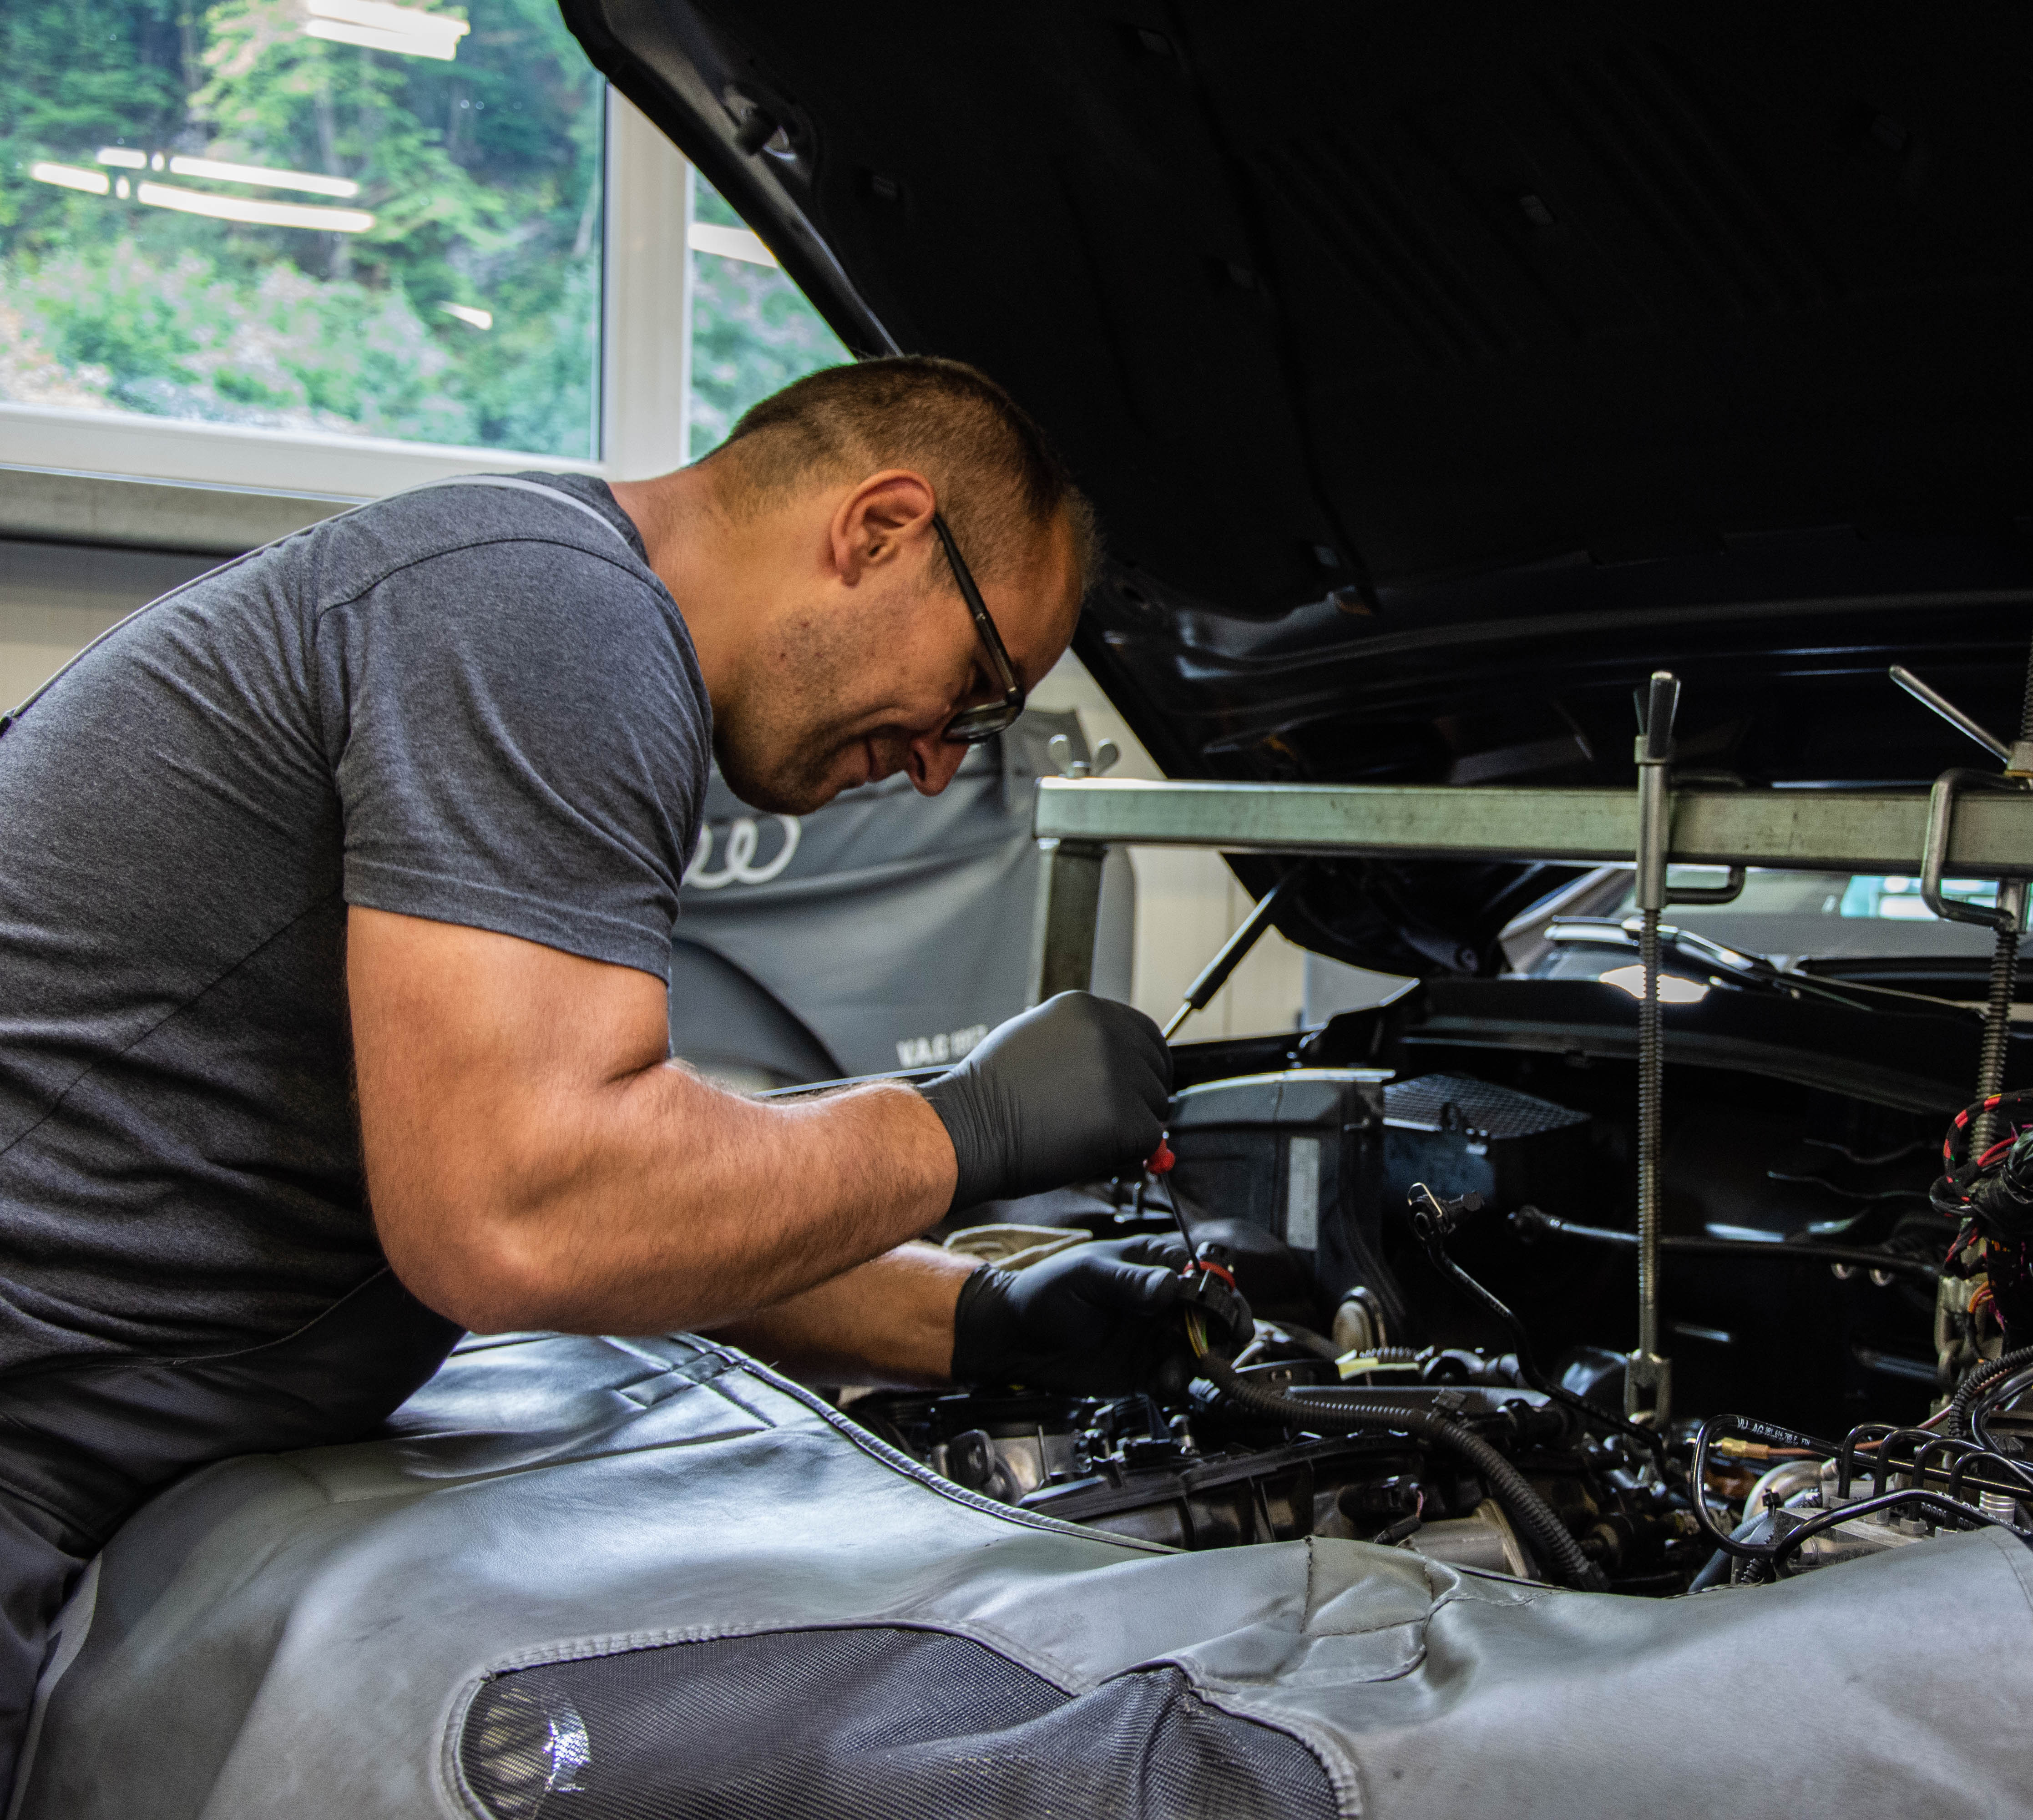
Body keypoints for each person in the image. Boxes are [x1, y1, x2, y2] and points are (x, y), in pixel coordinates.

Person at [0, 355, 1190, 1780]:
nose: (943, 765)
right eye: (976, 692)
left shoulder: (540, 597)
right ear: (879, 529)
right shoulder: (555, 613)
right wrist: (966, 1126)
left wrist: (980, 1318)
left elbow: (623, 1193)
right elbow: (527, 1213)